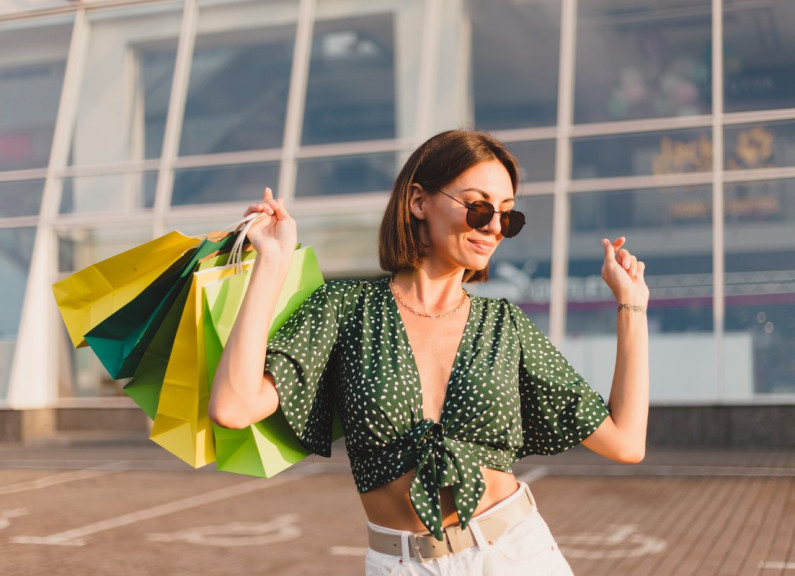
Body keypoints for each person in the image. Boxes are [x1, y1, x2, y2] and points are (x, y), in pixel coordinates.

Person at [209, 130, 649, 575]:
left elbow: (625, 443)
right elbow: (234, 406)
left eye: (508, 217)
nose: (494, 227)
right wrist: (273, 261)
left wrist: (631, 306)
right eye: (478, 207)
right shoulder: (345, 309)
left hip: (516, 554)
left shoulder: (504, 325)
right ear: (419, 201)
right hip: (402, 564)